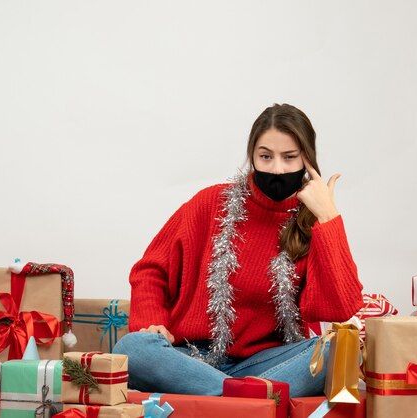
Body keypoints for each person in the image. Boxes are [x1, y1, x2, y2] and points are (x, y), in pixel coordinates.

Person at [113, 103, 363, 398]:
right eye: (266, 157)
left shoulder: (312, 222)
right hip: (189, 358)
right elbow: (150, 269)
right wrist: (151, 323)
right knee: (132, 349)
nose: (277, 169)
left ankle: (228, 399)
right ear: (252, 156)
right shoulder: (210, 202)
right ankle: (247, 401)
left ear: (307, 159)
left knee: (339, 350)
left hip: (264, 365)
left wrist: (328, 218)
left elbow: (339, 309)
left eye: (289, 157)